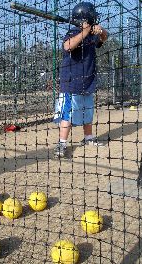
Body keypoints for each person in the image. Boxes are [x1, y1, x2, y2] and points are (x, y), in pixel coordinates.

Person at [54, 1, 108, 158]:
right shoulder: (72, 33)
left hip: (88, 82)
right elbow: (67, 46)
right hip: (72, 83)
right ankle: (62, 144)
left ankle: (88, 138)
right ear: (86, 17)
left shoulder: (93, 35)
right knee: (67, 115)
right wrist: (84, 31)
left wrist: (100, 30)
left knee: (87, 112)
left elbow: (105, 37)